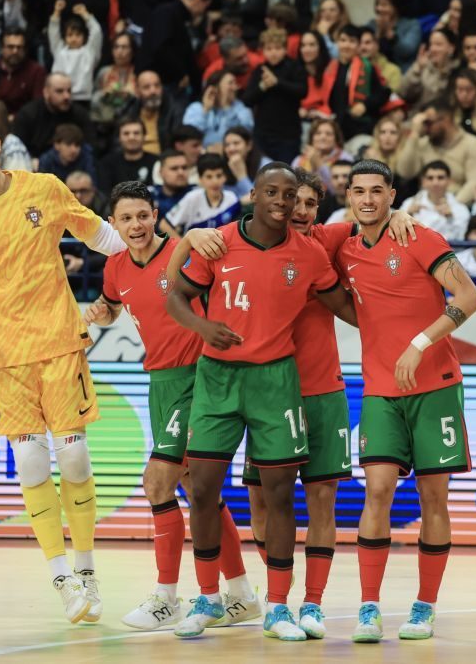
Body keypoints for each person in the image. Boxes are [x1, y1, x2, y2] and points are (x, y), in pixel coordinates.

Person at [0, 111, 132, 624]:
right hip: (3, 357)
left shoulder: (43, 187)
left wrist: (150, 270)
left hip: (61, 343)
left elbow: (103, 237)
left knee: (77, 458)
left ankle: (87, 570)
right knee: (31, 465)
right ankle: (62, 577)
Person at [165, 162, 358, 640]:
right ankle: (208, 598)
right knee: (204, 487)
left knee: (279, 495)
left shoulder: (311, 253)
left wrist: (406, 325)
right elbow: (176, 296)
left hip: (276, 381)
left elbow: (349, 307)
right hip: (217, 378)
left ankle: (277, 607)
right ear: (252, 193)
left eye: (289, 195)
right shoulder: (219, 241)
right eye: (271, 192)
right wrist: (202, 326)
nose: (281, 201)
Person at [240, 168, 417, 639]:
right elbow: (196, 244)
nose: (299, 211)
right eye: (291, 202)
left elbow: (372, 215)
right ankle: (279, 593)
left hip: (324, 393)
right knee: (260, 504)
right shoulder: (244, 240)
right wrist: (194, 233)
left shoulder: (330, 239)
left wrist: (399, 212)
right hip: (266, 393)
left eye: (309, 205)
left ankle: (312, 604)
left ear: (318, 210)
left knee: (323, 502)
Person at [83, 181, 259, 631]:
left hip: (199, 379)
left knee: (157, 481)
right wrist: (98, 314)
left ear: (156, 214)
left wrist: (199, 234)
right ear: (113, 224)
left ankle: (167, 598)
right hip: (159, 382)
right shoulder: (116, 267)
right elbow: (113, 304)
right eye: (125, 219)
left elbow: (228, 258)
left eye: (143, 215)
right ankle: (240, 593)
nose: (136, 225)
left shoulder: (185, 252)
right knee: (200, 493)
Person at [335, 159, 476, 642]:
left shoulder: (420, 238)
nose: (368, 200)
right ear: (349, 196)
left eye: (377, 191)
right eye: (359, 191)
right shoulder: (344, 247)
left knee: (432, 497)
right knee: (376, 491)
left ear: (393, 195)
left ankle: (424, 606)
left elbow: (469, 295)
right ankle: (369, 607)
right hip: (380, 389)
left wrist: (419, 344)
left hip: (435, 385)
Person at [396, 97, 476, 205]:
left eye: (428, 123)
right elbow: (405, 172)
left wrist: (453, 206)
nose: (426, 128)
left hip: (458, 208)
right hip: (425, 207)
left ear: (446, 119)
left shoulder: (473, 145)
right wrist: (414, 134)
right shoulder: (422, 144)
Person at [243, 28, 308, 164]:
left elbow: (302, 91)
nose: (273, 53)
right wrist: (262, 87)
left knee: (286, 171)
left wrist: (277, 82)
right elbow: (247, 100)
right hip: (263, 133)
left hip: (288, 134)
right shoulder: (259, 71)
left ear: (285, 49)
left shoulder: (295, 67)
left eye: (277, 48)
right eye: (269, 49)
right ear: (263, 51)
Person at [136, 0, 214, 99]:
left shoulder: (180, 16)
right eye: (206, 6)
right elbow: (161, 46)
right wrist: (181, 73)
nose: (203, 11)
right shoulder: (167, 13)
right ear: (199, 0)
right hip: (161, 82)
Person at [318, 25, 391, 140]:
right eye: (343, 40)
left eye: (352, 41)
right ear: (337, 43)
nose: (346, 45)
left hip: (361, 127)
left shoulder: (368, 67)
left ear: (358, 46)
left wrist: (365, 105)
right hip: (335, 129)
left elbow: (384, 93)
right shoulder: (329, 68)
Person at [12, 73, 94, 157]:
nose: (66, 96)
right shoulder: (28, 115)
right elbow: (18, 149)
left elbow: (90, 147)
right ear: (46, 92)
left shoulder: (80, 114)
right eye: (59, 91)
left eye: (69, 91)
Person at [160, 153, 241, 237]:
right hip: (194, 248)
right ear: (200, 179)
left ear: (225, 177)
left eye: (219, 176)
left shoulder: (232, 199)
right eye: (209, 177)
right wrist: (182, 246)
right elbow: (164, 224)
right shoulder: (192, 198)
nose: (215, 181)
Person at [119, 71, 187, 158]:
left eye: (157, 86)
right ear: (137, 91)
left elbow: (177, 144)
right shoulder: (128, 110)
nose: (153, 91)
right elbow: (117, 145)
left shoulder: (174, 111)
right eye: (146, 87)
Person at [183, 69, 255, 149]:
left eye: (235, 83)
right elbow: (190, 135)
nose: (235, 87)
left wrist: (226, 108)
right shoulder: (196, 108)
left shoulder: (241, 109)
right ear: (215, 87)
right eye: (230, 83)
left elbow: (244, 134)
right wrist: (205, 110)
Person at [401, 161, 471, 241]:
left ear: (449, 181)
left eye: (440, 178)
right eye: (430, 178)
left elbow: (461, 239)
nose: (435, 182)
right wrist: (408, 215)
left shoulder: (460, 209)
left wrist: (450, 218)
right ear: (423, 182)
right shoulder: (408, 204)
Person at [48, 0, 103, 103]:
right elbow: (53, 32)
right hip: (59, 96)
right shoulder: (59, 50)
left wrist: (85, 15)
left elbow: (96, 32)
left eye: (78, 35)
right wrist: (57, 12)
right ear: (64, 37)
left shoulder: (89, 52)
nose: (74, 38)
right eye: (70, 35)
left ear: (84, 37)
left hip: (83, 98)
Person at [398, 28, 459, 110]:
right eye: (431, 44)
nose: (433, 49)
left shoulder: (458, 70)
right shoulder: (423, 66)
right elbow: (404, 93)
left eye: (438, 44)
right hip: (418, 117)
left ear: (451, 48)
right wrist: (417, 69)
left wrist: (442, 72)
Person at [0, 26, 47, 117]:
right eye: (10, 47)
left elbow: (38, 106)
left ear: (25, 50)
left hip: (25, 122)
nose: (15, 51)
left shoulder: (36, 71)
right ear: (1, 48)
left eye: (19, 47)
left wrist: (16, 117)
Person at [293, 119, 355, 192]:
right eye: (318, 133)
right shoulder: (299, 160)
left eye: (328, 134)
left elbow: (340, 190)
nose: (323, 137)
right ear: (311, 138)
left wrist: (319, 164)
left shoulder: (346, 158)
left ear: (336, 139)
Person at [92, 33, 139, 125]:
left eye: (124, 47)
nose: (119, 51)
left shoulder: (138, 73)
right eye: (116, 47)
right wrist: (104, 93)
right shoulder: (104, 72)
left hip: (132, 121)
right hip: (106, 121)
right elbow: (93, 101)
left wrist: (131, 95)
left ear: (132, 51)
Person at [99, 118, 158, 190]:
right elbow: (104, 193)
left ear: (144, 136)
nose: (131, 137)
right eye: (126, 133)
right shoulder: (107, 163)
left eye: (136, 133)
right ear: (119, 138)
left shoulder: (156, 162)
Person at [370, 0, 422, 71]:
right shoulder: (372, 24)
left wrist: (389, 33)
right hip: (375, 71)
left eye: (384, 5)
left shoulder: (411, 25)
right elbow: (363, 48)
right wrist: (378, 33)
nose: (379, 8)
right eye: (378, 4)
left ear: (396, 6)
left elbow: (407, 51)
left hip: (402, 73)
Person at [222, 126, 273, 200]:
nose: (231, 148)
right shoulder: (223, 167)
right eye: (227, 145)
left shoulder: (267, 166)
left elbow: (259, 200)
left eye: (236, 143)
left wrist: (241, 176)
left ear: (249, 145)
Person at [298, 30, 334, 121]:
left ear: (320, 48)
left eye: (312, 45)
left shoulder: (330, 70)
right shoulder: (294, 71)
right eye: (303, 45)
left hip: (324, 119)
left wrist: (317, 112)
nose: (306, 49)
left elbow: (331, 103)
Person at [152, 150, 193, 223]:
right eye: (174, 168)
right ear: (161, 172)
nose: (181, 172)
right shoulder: (149, 195)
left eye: (184, 168)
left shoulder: (198, 194)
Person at [359, 26, 402, 92]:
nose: (362, 47)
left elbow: (394, 98)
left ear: (377, 45)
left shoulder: (393, 71)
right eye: (359, 43)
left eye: (367, 43)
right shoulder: (348, 68)